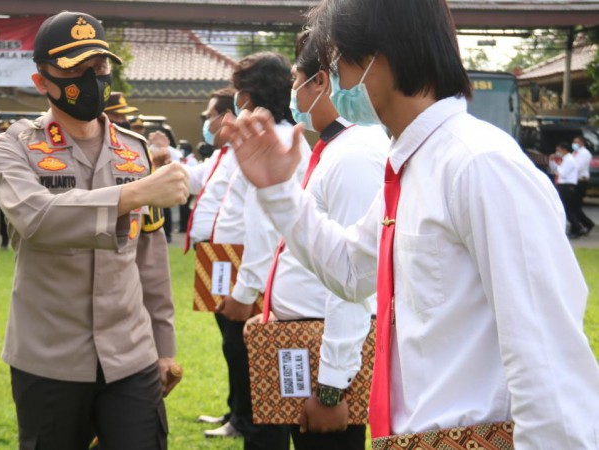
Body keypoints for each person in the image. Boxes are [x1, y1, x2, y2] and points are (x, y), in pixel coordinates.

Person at [222, 0, 599, 448]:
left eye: (337, 65)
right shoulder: (412, 164)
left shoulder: (479, 165)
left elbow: (546, 353)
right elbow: (350, 270)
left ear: (377, 59)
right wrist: (279, 192)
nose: (337, 84)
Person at [0, 11, 189, 450]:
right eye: (75, 70)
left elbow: (150, 262)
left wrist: (164, 346)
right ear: (42, 81)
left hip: (130, 356)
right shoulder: (11, 148)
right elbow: (37, 219)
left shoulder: (134, 152)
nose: (92, 79)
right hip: (49, 359)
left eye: (98, 68)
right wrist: (134, 194)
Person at [224, 31, 388, 450]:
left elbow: (353, 281)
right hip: (303, 337)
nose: (293, 92)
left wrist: (332, 388)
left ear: (321, 81)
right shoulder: (335, 147)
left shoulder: (354, 154)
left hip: (328, 354)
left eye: (297, 79)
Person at [213, 51, 312, 448]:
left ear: (248, 97)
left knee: (265, 411)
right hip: (274, 285)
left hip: (269, 290)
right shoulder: (288, 140)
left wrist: (244, 292)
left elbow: (265, 231)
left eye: (239, 93)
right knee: (271, 403)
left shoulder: (270, 144)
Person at [151, 87, 241, 436]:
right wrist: (164, 159)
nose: (206, 123)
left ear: (227, 117)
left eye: (210, 116)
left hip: (228, 254)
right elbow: (193, 178)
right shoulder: (224, 155)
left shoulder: (237, 155)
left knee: (236, 341)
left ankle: (241, 418)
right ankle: (235, 411)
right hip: (215, 253)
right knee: (228, 339)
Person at [549, 142, 583, 238]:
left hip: (566, 186)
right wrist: (552, 162)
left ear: (564, 150)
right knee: (567, 208)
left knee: (565, 208)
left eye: (558, 150)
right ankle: (577, 227)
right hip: (563, 185)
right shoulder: (565, 160)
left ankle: (577, 227)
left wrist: (557, 165)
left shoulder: (569, 160)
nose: (557, 152)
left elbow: (562, 173)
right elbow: (554, 170)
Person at [572, 135, 595, 234]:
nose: (574, 144)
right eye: (574, 142)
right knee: (573, 205)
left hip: (581, 180)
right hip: (574, 180)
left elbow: (577, 167)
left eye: (576, 142)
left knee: (574, 205)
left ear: (582, 143)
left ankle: (583, 224)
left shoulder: (585, 153)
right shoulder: (575, 153)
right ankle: (583, 224)